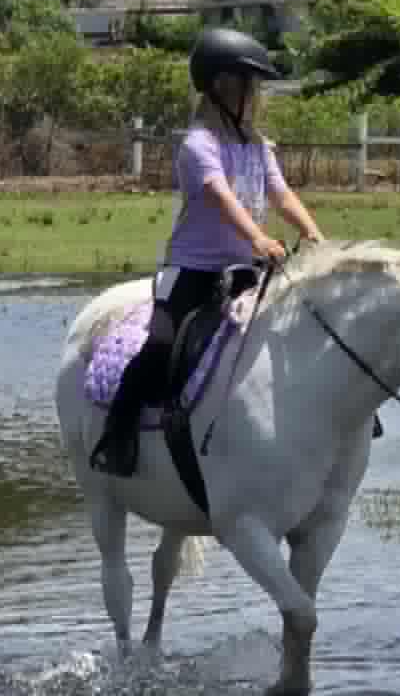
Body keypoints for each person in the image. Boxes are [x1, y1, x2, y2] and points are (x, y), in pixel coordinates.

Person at [95, 25, 325, 477]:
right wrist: (259, 237)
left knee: (307, 325)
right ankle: (117, 437)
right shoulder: (199, 145)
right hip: (194, 271)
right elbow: (222, 198)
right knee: (161, 346)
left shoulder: (259, 147)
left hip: (248, 268)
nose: (255, 95)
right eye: (248, 85)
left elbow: (281, 195)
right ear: (221, 86)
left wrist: (315, 233)